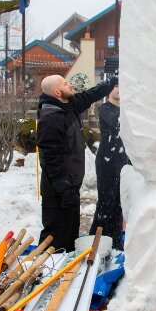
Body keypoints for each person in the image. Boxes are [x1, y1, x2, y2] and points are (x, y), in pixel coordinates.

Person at [37, 73, 117, 252]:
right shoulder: (51, 118)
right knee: (56, 235)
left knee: (71, 233)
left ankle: (67, 270)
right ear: (58, 92)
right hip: (58, 190)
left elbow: (89, 96)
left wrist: (111, 82)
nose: (70, 85)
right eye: (66, 84)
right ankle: (47, 270)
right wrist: (64, 188)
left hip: (70, 186)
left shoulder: (67, 106)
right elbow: (51, 158)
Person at [90, 84, 131, 250]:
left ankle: (114, 241)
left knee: (119, 205)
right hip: (107, 162)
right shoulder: (105, 109)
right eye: (115, 86)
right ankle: (97, 241)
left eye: (122, 85)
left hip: (123, 162)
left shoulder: (127, 111)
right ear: (109, 91)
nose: (119, 89)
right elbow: (118, 123)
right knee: (106, 203)